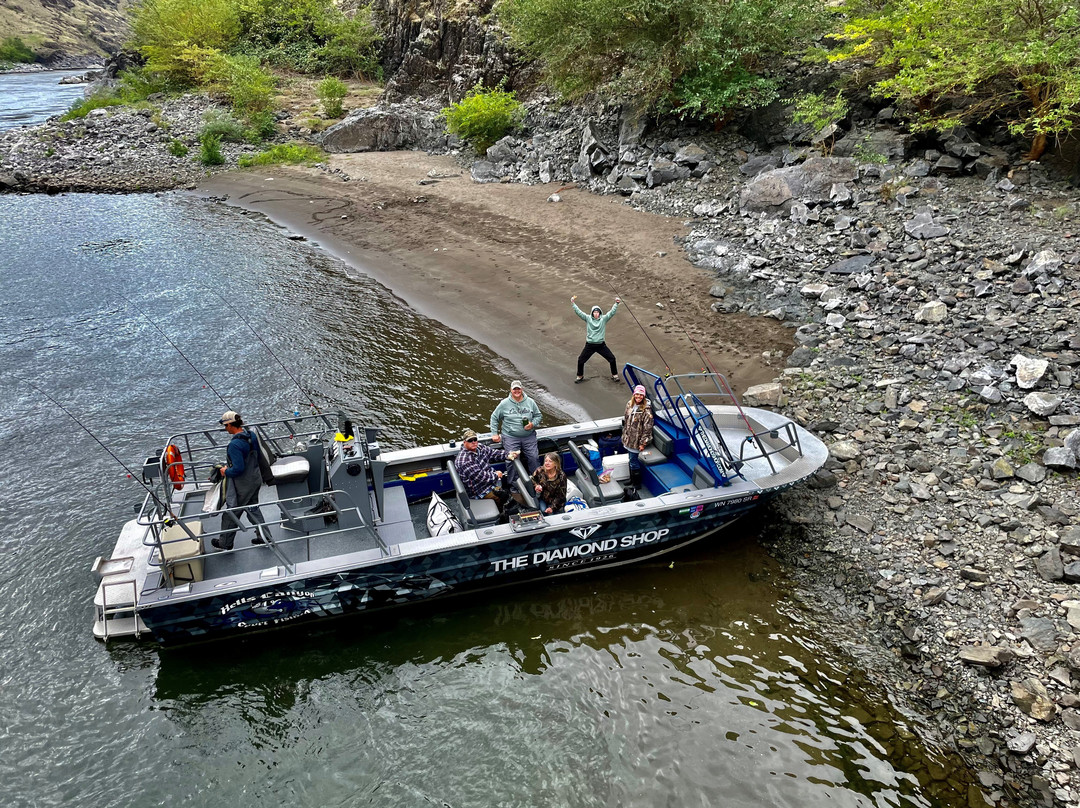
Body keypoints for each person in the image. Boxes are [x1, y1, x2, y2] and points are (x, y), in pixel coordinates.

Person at [212, 410, 269, 551]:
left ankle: (225, 543)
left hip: (243, 485)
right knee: (253, 509)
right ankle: (265, 537)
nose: (225, 429)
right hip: (255, 478)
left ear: (231, 425)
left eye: (226, 426)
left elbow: (238, 469)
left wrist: (225, 471)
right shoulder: (251, 435)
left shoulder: (234, 445)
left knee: (231, 513)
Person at [455, 428, 520, 512]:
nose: (474, 442)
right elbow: (481, 478)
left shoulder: (479, 447)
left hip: (489, 481)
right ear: (464, 443)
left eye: (475, 439)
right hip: (479, 490)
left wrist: (508, 455)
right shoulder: (465, 461)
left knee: (505, 494)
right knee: (504, 498)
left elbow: (493, 453)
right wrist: (496, 475)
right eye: (470, 440)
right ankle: (501, 513)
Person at [489, 380, 542, 481]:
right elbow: (494, 417)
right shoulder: (504, 404)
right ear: (511, 390)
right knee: (512, 459)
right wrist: (494, 433)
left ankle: (537, 481)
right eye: (514, 389)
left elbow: (538, 416)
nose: (517, 391)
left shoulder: (530, 402)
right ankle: (515, 485)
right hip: (510, 437)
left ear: (522, 389)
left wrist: (532, 424)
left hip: (529, 436)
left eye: (518, 389)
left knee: (534, 458)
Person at [571, 295, 621, 383]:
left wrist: (616, 303)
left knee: (612, 358)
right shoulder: (588, 318)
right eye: (594, 312)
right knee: (581, 360)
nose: (596, 314)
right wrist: (573, 303)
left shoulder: (603, 319)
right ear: (592, 313)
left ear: (600, 313)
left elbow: (611, 312)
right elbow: (579, 312)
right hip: (589, 345)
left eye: (597, 312)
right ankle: (580, 376)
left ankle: (615, 375)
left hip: (601, 345)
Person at [621, 385, 654, 488]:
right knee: (631, 460)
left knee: (634, 462)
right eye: (637, 394)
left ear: (643, 396)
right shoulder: (629, 404)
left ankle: (636, 483)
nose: (638, 396)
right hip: (628, 439)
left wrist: (643, 443)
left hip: (636, 441)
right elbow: (626, 420)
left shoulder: (646, 411)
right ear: (634, 394)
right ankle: (631, 480)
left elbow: (647, 429)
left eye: (641, 394)